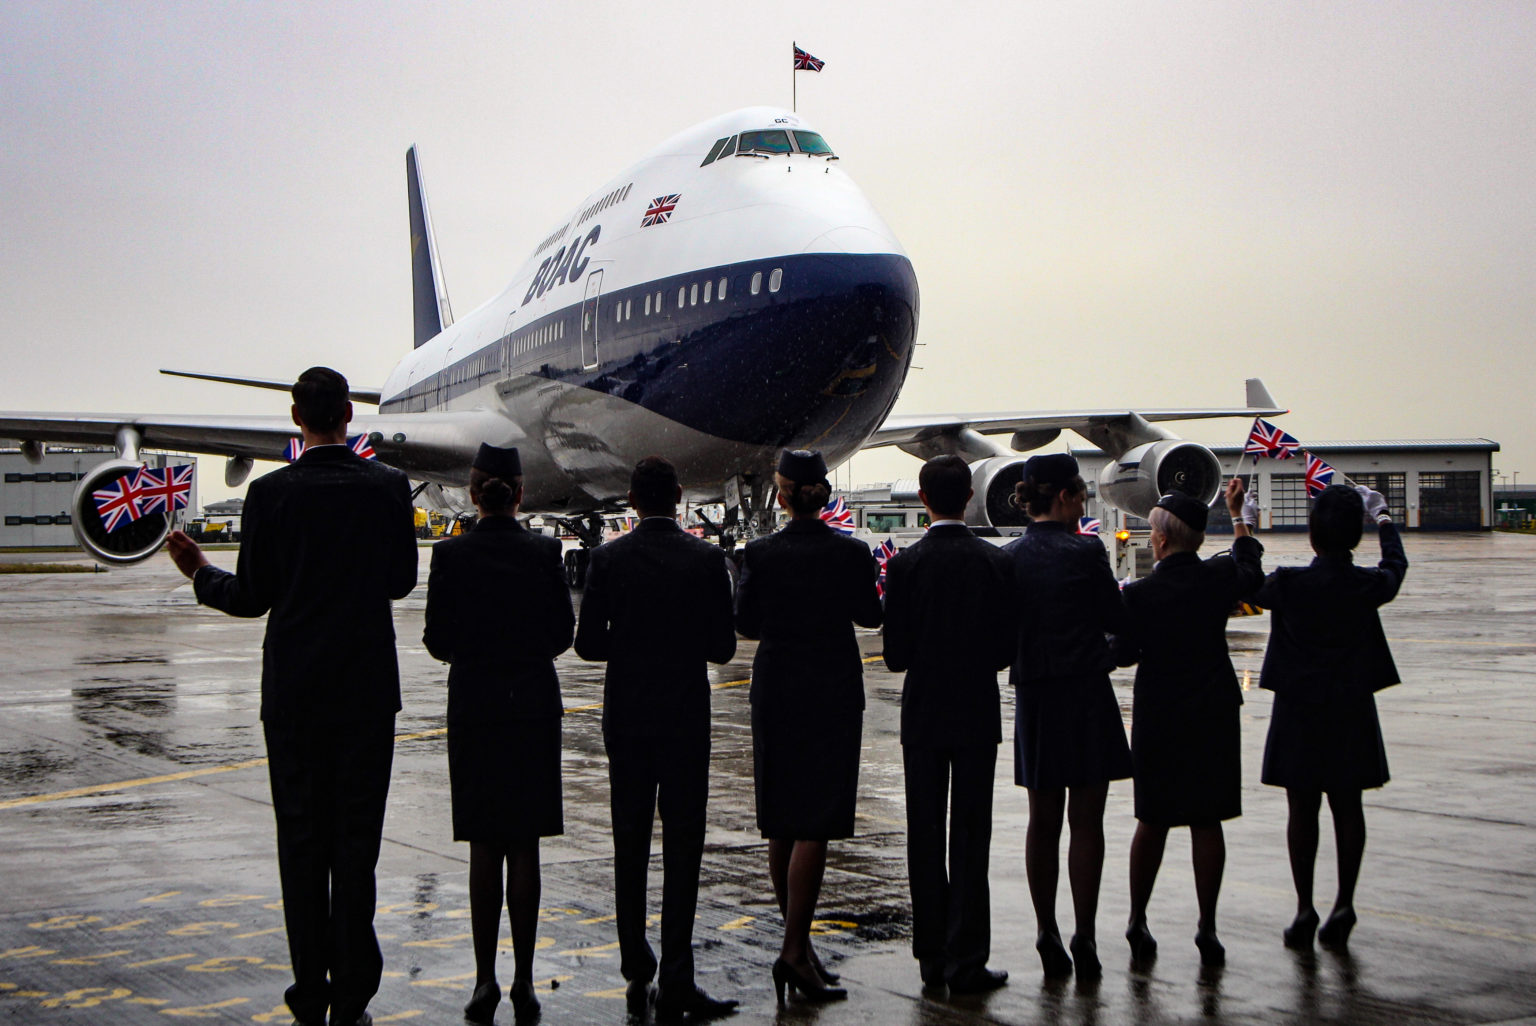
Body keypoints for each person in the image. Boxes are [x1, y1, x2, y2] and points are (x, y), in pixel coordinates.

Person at [166, 367, 418, 1026]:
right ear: (348, 416)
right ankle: (354, 998)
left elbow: (252, 598)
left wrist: (200, 574)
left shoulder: (272, 492)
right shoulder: (388, 487)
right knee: (357, 848)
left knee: (303, 848)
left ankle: (311, 994)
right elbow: (398, 582)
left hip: (296, 696)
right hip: (366, 695)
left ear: (295, 417)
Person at [573, 456, 740, 1021]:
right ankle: (677, 975)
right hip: (685, 716)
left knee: (630, 840)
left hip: (629, 714)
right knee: (684, 848)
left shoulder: (609, 558)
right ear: (679, 496)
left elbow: (588, 645)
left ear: (632, 500)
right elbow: (722, 648)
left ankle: (633, 961)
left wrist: (634, 646)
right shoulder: (705, 558)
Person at [423, 444, 573, 1023]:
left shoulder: (450, 557)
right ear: (520, 493)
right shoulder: (544, 552)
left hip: (477, 706)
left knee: (484, 846)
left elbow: (438, 643)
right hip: (533, 706)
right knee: (526, 845)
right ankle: (525, 983)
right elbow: (563, 633)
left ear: (471, 491)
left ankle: (484, 981)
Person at [735, 449, 882, 1004]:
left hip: (777, 688)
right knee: (815, 822)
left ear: (782, 495)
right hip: (830, 688)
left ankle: (796, 943)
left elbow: (745, 623)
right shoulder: (849, 553)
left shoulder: (762, 552)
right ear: (824, 496)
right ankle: (795, 950)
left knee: (781, 818)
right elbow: (871, 616)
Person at [1111, 481, 1263, 968]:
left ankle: (1137, 919)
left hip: (1160, 712)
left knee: (1151, 821)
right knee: (1207, 820)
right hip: (1213, 708)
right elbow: (1250, 571)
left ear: (1159, 541)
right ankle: (1207, 926)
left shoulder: (1140, 594)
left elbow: (1124, 653)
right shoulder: (1218, 577)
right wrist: (1238, 518)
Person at [881, 455, 1017, 993]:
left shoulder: (906, 566)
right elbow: (1006, 650)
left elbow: (893, 656)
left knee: (925, 835)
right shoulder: (994, 563)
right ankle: (968, 956)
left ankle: (930, 955)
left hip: (925, 711)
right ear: (969, 498)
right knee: (970, 837)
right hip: (976, 710)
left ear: (923, 499)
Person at [1256, 484, 1406, 952]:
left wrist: (1245, 523)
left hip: (1299, 709)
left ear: (1313, 534)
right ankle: (1344, 901)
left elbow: (1245, 584)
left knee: (1302, 811)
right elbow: (1395, 568)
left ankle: (1304, 906)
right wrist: (1383, 518)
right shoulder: (1365, 586)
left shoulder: (1288, 584)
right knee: (1348, 807)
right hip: (1351, 707)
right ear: (1354, 535)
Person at [1004, 452, 1131, 980]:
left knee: (1043, 822)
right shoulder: (1086, 553)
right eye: (1081, 493)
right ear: (1064, 498)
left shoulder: (1009, 557)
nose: (1084, 502)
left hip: (1036, 694)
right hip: (1085, 692)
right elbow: (1118, 619)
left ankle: (1045, 930)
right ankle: (1085, 932)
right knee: (1087, 824)